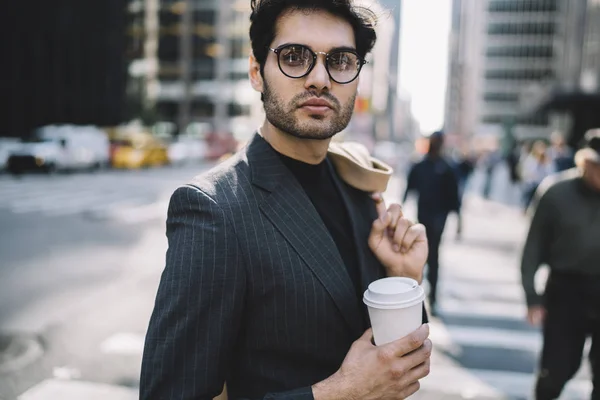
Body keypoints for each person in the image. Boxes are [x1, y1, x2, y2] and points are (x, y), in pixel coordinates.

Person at [140, 1, 432, 399]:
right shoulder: (213, 208)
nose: (319, 79)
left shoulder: (359, 191)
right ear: (257, 72)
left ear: (356, 78)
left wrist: (404, 278)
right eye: (294, 57)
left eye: (341, 61)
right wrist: (341, 393)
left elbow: (397, 363)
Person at [520, 129, 600, 400]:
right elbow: (532, 249)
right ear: (584, 162)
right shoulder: (555, 193)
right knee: (556, 372)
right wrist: (532, 297)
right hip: (566, 292)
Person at [403, 131, 461, 314]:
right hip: (423, 220)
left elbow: (455, 198)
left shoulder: (447, 168)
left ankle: (433, 298)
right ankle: (418, 298)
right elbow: (409, 189)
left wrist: (459, 221)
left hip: (438, 219)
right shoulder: (421, 166)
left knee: (433, 258)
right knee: (421, 259)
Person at [520, 140, 555, 213]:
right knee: (528, 196)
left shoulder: (547, 160)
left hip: (542, 183)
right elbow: (528, 171)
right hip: (532, 183)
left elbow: (550, 171)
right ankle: (525, 209)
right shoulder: (531, 159)